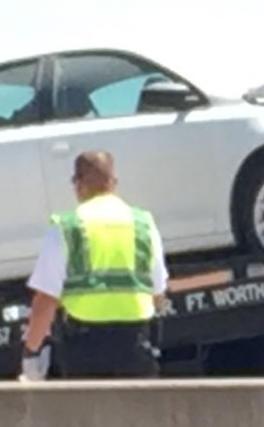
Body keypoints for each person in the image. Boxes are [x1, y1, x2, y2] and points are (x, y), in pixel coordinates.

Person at [22, 150, 168, 379]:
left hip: (85, 345)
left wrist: (31, 353)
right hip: (136, 340)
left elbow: (46, 299)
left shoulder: (67, 227)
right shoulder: (143, 223)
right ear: (114, 182)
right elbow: (157, 291)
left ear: (78, 184)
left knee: (88, 415)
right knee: (140, 414)